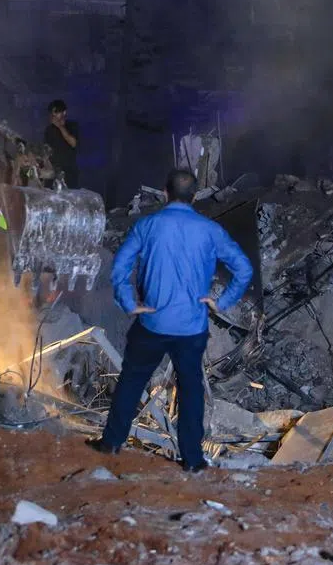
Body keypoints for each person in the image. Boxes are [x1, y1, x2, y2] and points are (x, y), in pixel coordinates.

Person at [89, 169, 253, 473]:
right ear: (195, 195)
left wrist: (129, 303)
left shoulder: (147, 225)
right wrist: (221, 303)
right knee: (191, 390)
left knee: (131, 380)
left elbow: (120, 268)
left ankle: (111, 444)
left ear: (165, 193)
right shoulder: (209, 230)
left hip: (152, 323)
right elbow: (244, 269)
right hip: (191, 327)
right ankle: (192, 460)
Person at [43, 99, 80, 188]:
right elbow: (46, 149)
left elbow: (73, 143)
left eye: (56, 112)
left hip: (68, 171)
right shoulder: (49, 129)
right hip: (53, 171)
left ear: (64, 112)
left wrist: (60, 127)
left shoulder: (72, 126)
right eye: (52, 113)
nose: (54, 115)